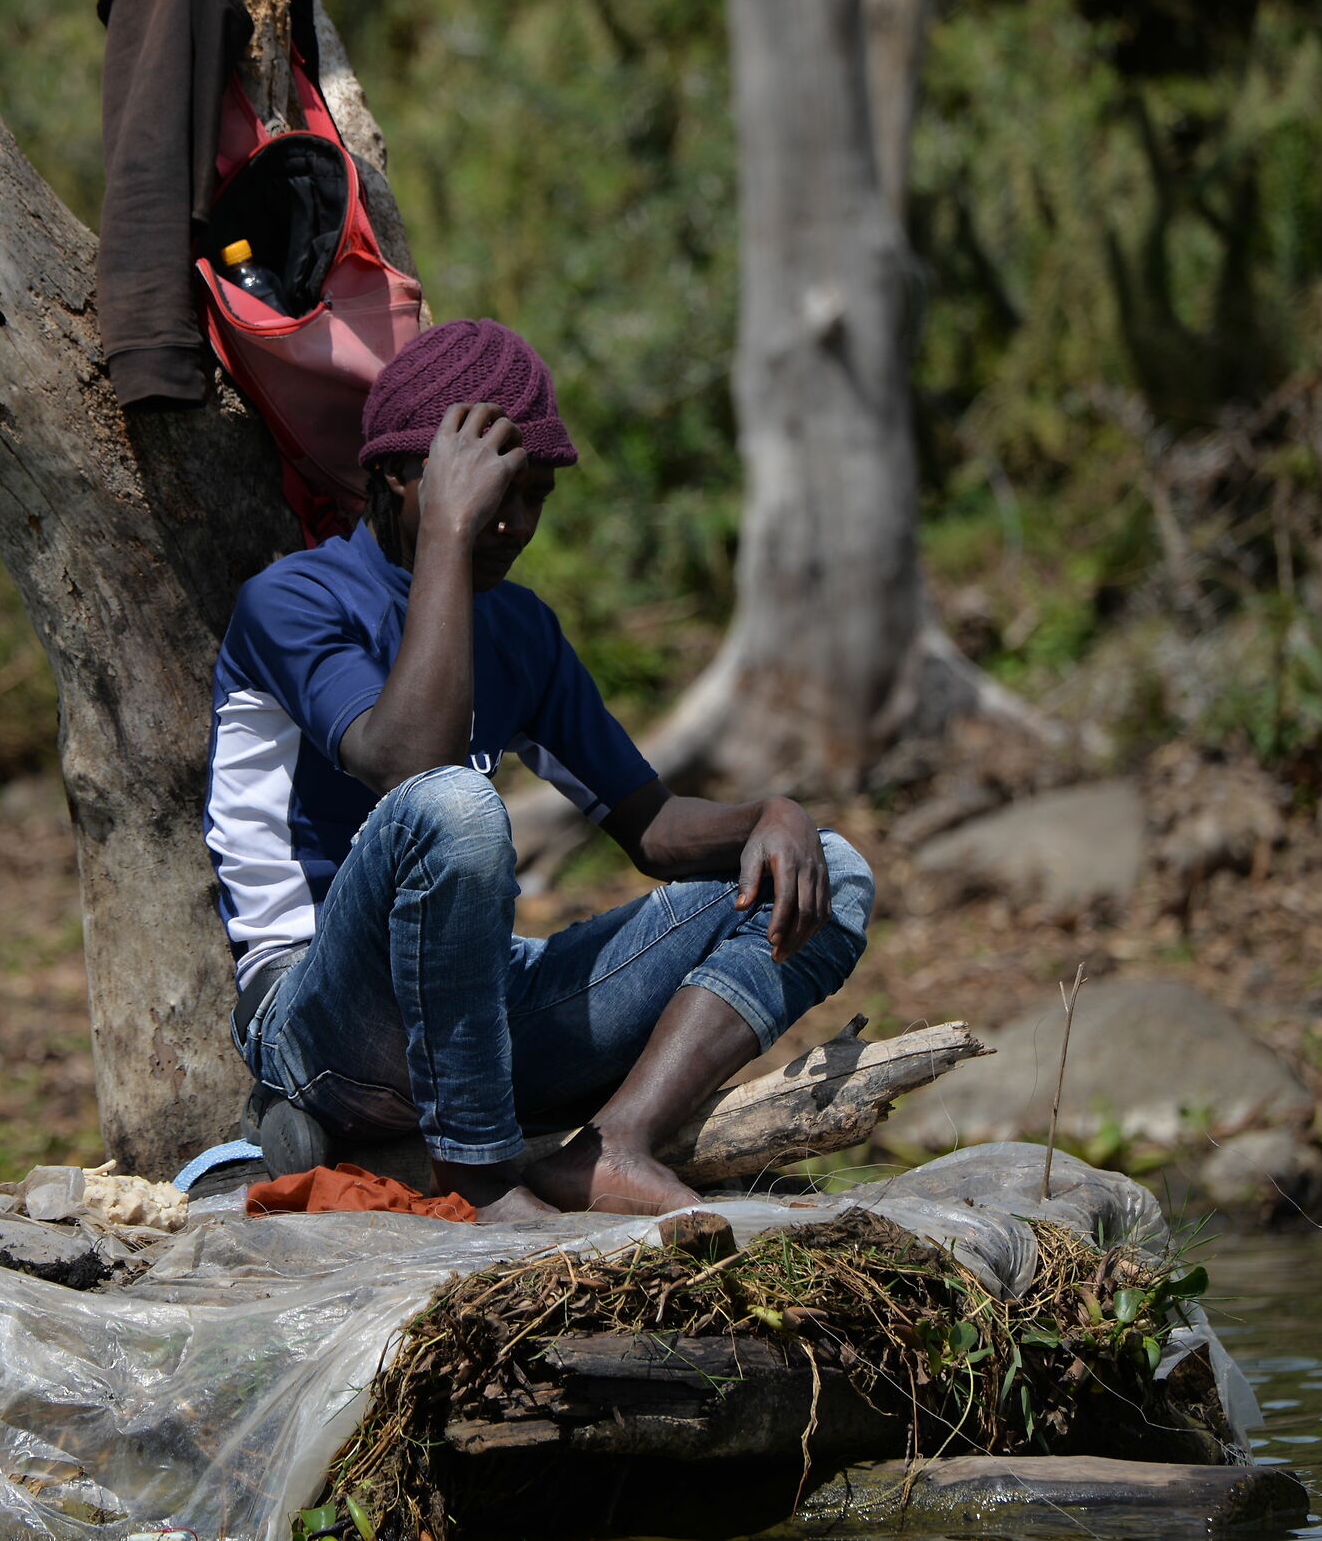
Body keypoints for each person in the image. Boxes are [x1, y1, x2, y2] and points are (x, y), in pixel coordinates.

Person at [203, 319, 876, 1221]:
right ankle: (478, 1176)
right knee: (453, 805)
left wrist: (771, 814)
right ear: (403, 481)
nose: (514, 524)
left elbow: (650, 827)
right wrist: (448, 531)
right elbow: (410, 767)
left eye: (535, 496)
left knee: (831, 871)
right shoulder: (293, 601)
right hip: (315, 1011)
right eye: (492, 496)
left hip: (479, 1006)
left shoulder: (517, 627)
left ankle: (612, 1147)